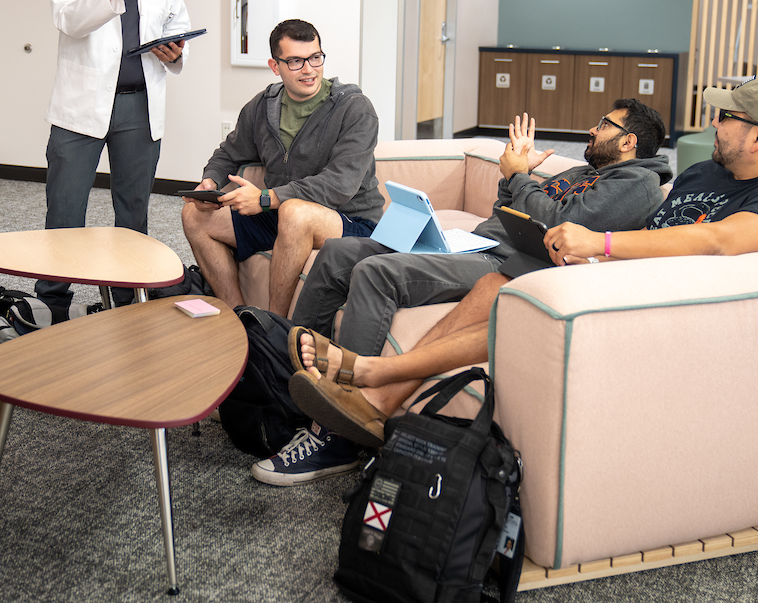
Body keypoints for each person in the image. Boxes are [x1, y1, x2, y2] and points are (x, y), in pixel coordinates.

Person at [285, 72, 758, 454]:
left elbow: (720, 242)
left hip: (654, 308)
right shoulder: (704, 175)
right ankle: (375, 397)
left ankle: (372, 375)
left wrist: (604, 243)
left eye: (727, 118)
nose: (715, 125)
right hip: (598, 274)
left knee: (511, 291)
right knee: (496, 285)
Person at [251, 100, 672, 485]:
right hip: (476, 242)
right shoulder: (584, 174)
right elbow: (507, 211)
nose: (593, 130)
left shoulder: (639, 184)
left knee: (377, 272)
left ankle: (342, 432)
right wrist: (515, 178)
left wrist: (520, 175)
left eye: (604, 124)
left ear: (628, 140)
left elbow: (557, 229)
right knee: (340, 252)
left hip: (507, 263)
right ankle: (291, 386)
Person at [37, 0, 190, 311]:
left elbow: (180, 25)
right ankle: (52, 304)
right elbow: (67, 19)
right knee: (65, 212)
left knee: (133, 213)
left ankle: (129, 303)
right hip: (80, 108)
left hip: (138, 106)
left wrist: (176, 51)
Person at [181, 19, 383, 318]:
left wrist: (267, 198)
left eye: (315, 57)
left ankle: (273, 329)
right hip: (281, 215)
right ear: (275, 66)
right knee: (194, 216)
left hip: (351, 221)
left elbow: (339, 185)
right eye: (296, 61)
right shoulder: (263, 106)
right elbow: (229, 152)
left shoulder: (354, 108)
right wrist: (210, 182)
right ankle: (238, 318)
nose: (309, 69)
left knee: (294, 212)